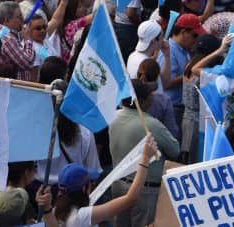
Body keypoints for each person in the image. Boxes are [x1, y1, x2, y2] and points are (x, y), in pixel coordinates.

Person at [109, 80, 180, 227]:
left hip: (118, 186)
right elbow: (175, 150)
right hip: (145, 193)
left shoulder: (113, 117)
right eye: (150, 96)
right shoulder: (152, 125)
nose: (153, 99)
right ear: (141, 101)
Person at [48, 135, 158, 227]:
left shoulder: (56, 211)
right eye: (90, 182)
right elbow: (130, 199)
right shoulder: (81, 216)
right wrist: (145, 158)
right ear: (84, 188)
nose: (93, 184)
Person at [0, 1, 37, 81]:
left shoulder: (0, 32)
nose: (23, 20)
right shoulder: (7, 37)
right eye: (19, 17)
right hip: (12, 88)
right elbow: (28, 63)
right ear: (7, 20)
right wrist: (28, 40)